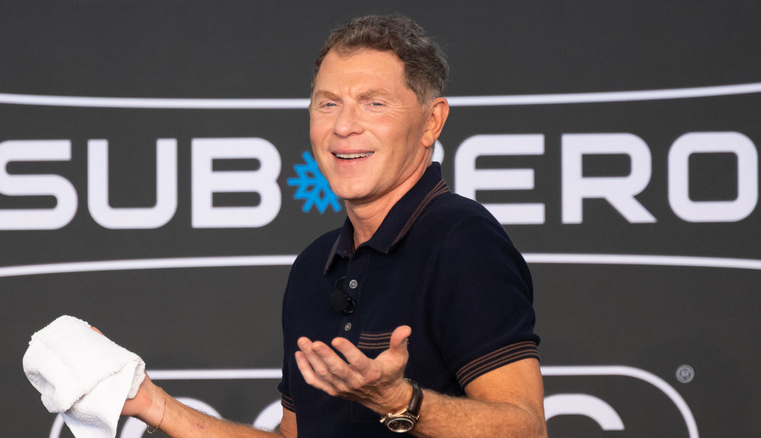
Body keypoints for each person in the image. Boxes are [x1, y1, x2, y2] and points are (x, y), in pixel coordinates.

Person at [122, 14, 546, 437]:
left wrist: (399, 400)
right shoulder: (314, 267)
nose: (343, 126)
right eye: (328, 103)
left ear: (431, 122)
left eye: (374, 102)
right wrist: (153, 403)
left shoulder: (462, 239)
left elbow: (526, 429)